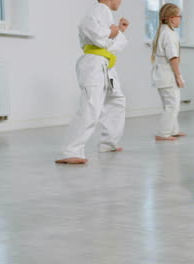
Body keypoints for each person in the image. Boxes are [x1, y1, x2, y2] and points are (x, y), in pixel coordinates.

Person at [56, 0, 129, 164]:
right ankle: (70, 151)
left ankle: (108, 143)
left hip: (104, 63)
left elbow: (109, 45)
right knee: (91, 106)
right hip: (94, 63)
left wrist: (119, 32)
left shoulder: (105, 12)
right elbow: (85, 27)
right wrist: (110, 33)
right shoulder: (98, 9)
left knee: (116, 101)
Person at [151, 3, 186, 141]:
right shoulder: (169, 34)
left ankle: (173, 130)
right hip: (167, 75)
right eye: (179, 16)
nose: (180, 19)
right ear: (172, 18)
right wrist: (178, 76)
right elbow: (173, 58)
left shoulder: (165, 32)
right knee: (172, 105)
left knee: (170, 104)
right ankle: (163, 133)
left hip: (162, 74)